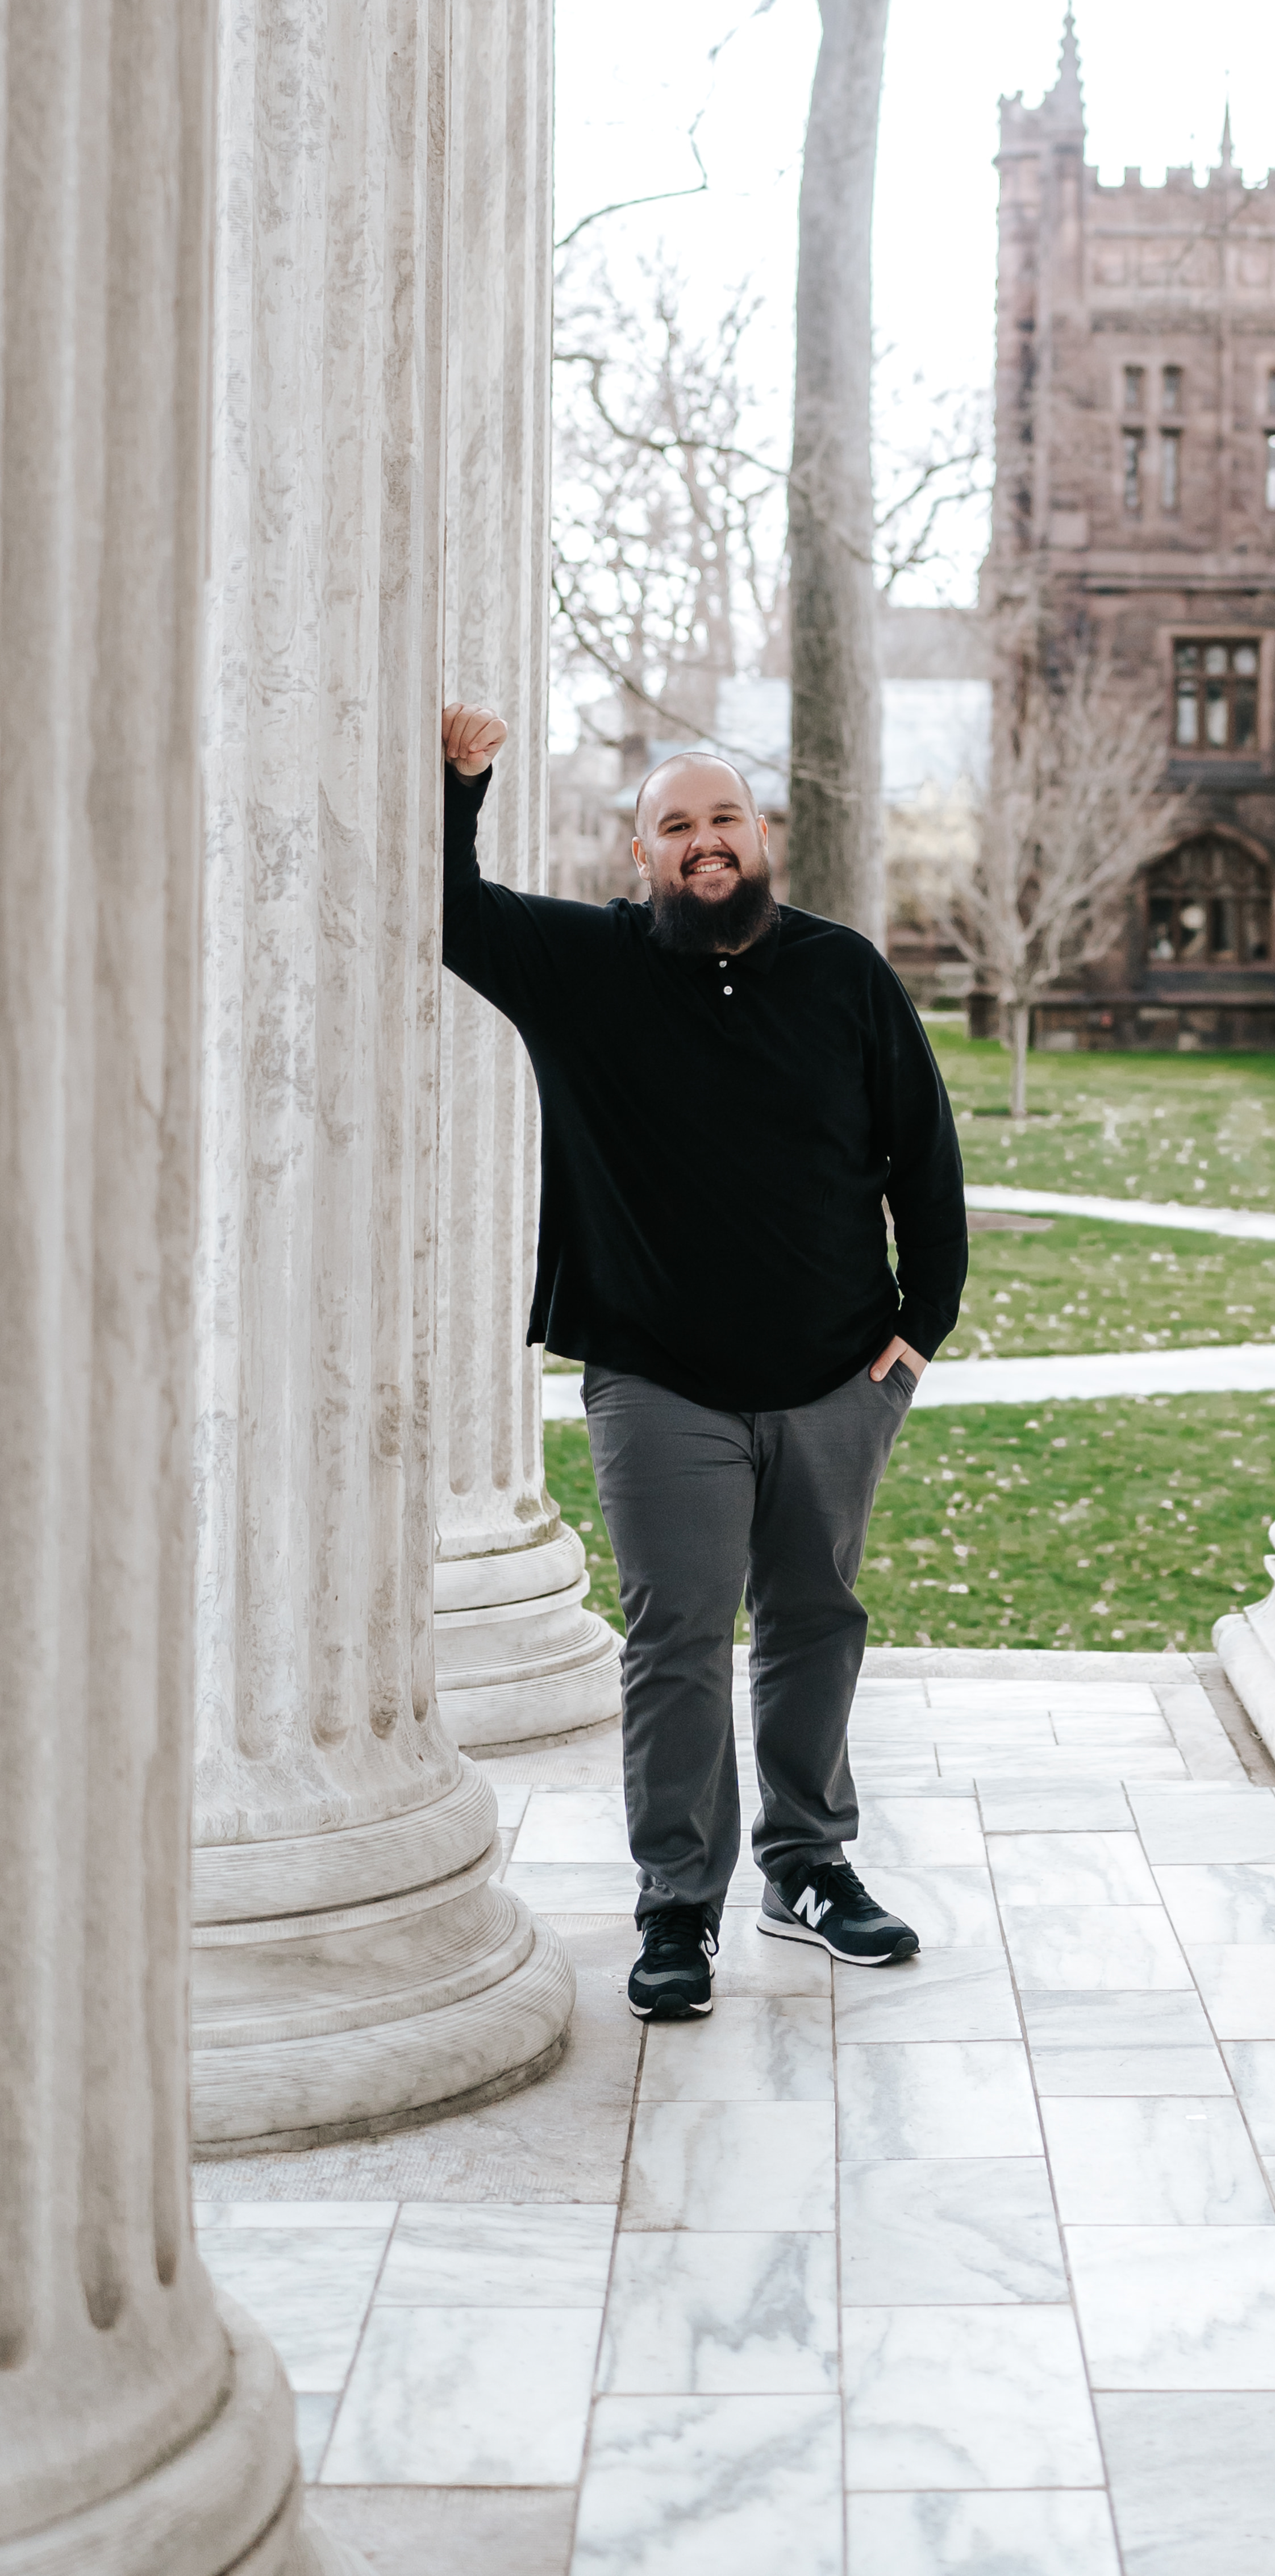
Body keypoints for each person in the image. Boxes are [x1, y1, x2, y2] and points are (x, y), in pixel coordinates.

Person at [438, 703, 968, 2021]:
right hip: (656, 1373)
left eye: (722, 817)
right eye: (675, 827)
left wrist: (923, 1323)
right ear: (641, 857)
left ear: (760, 835)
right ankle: (678, 1905)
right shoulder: (587, 966)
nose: (704, 842)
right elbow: (451, 916)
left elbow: (924, 1146)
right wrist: (461, 785)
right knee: (676, 1634)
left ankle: (808, 1866)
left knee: (813, 1620)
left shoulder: (844, 973)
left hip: (839, 1373)